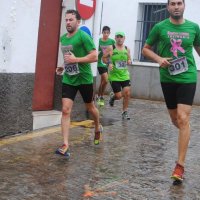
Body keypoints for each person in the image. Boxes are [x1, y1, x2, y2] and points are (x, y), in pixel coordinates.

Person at [142, 0, 200, 183]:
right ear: (167, 7)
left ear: (184, 6)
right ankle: (186, 131)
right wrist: (158, 58)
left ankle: (179, 166)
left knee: (183, 118)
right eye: (172, 3)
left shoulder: (194, 27)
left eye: (179, 3)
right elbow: (145, 49)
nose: (176, 6)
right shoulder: (160, 27)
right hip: (168, 77)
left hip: (187, 76)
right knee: (176, 119)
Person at [55, 9, 103, 157]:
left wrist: (76, 60)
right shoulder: (63, 38)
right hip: (69, 77)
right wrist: (63, 65)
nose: (68, 22)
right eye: (66, 20)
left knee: (90, 107)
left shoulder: (83, 36)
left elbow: (95, 56)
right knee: (65, 110)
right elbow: (68, 57)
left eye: (71, 20)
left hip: (84, 78)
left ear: (78, 21)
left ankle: (97, 126)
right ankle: (65, 144)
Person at [103, 32, 132, 120]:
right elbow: (103, 58)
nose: (119, 39)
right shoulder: (111, 48)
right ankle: (113, 97)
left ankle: (125, 112)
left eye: (121, 37)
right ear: (115, 38)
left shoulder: (127, 49)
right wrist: (109, 63)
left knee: (127, 93)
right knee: (119, 96)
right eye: (118, 37)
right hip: (114, 76)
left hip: (124, 75)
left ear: (124, 38)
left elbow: (129, 58)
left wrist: (129, 61)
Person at [96, 26, 115, 106]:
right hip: (100, 62)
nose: (106, 34)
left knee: (103, 81)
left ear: (109, 33)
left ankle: (99, 96)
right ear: (102, 32)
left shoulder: (112, 41)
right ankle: (101, 96)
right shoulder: (98, 41)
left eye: (107, 33)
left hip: (107, 63)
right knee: (106, 80)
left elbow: (115, 50)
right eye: (104, 33)